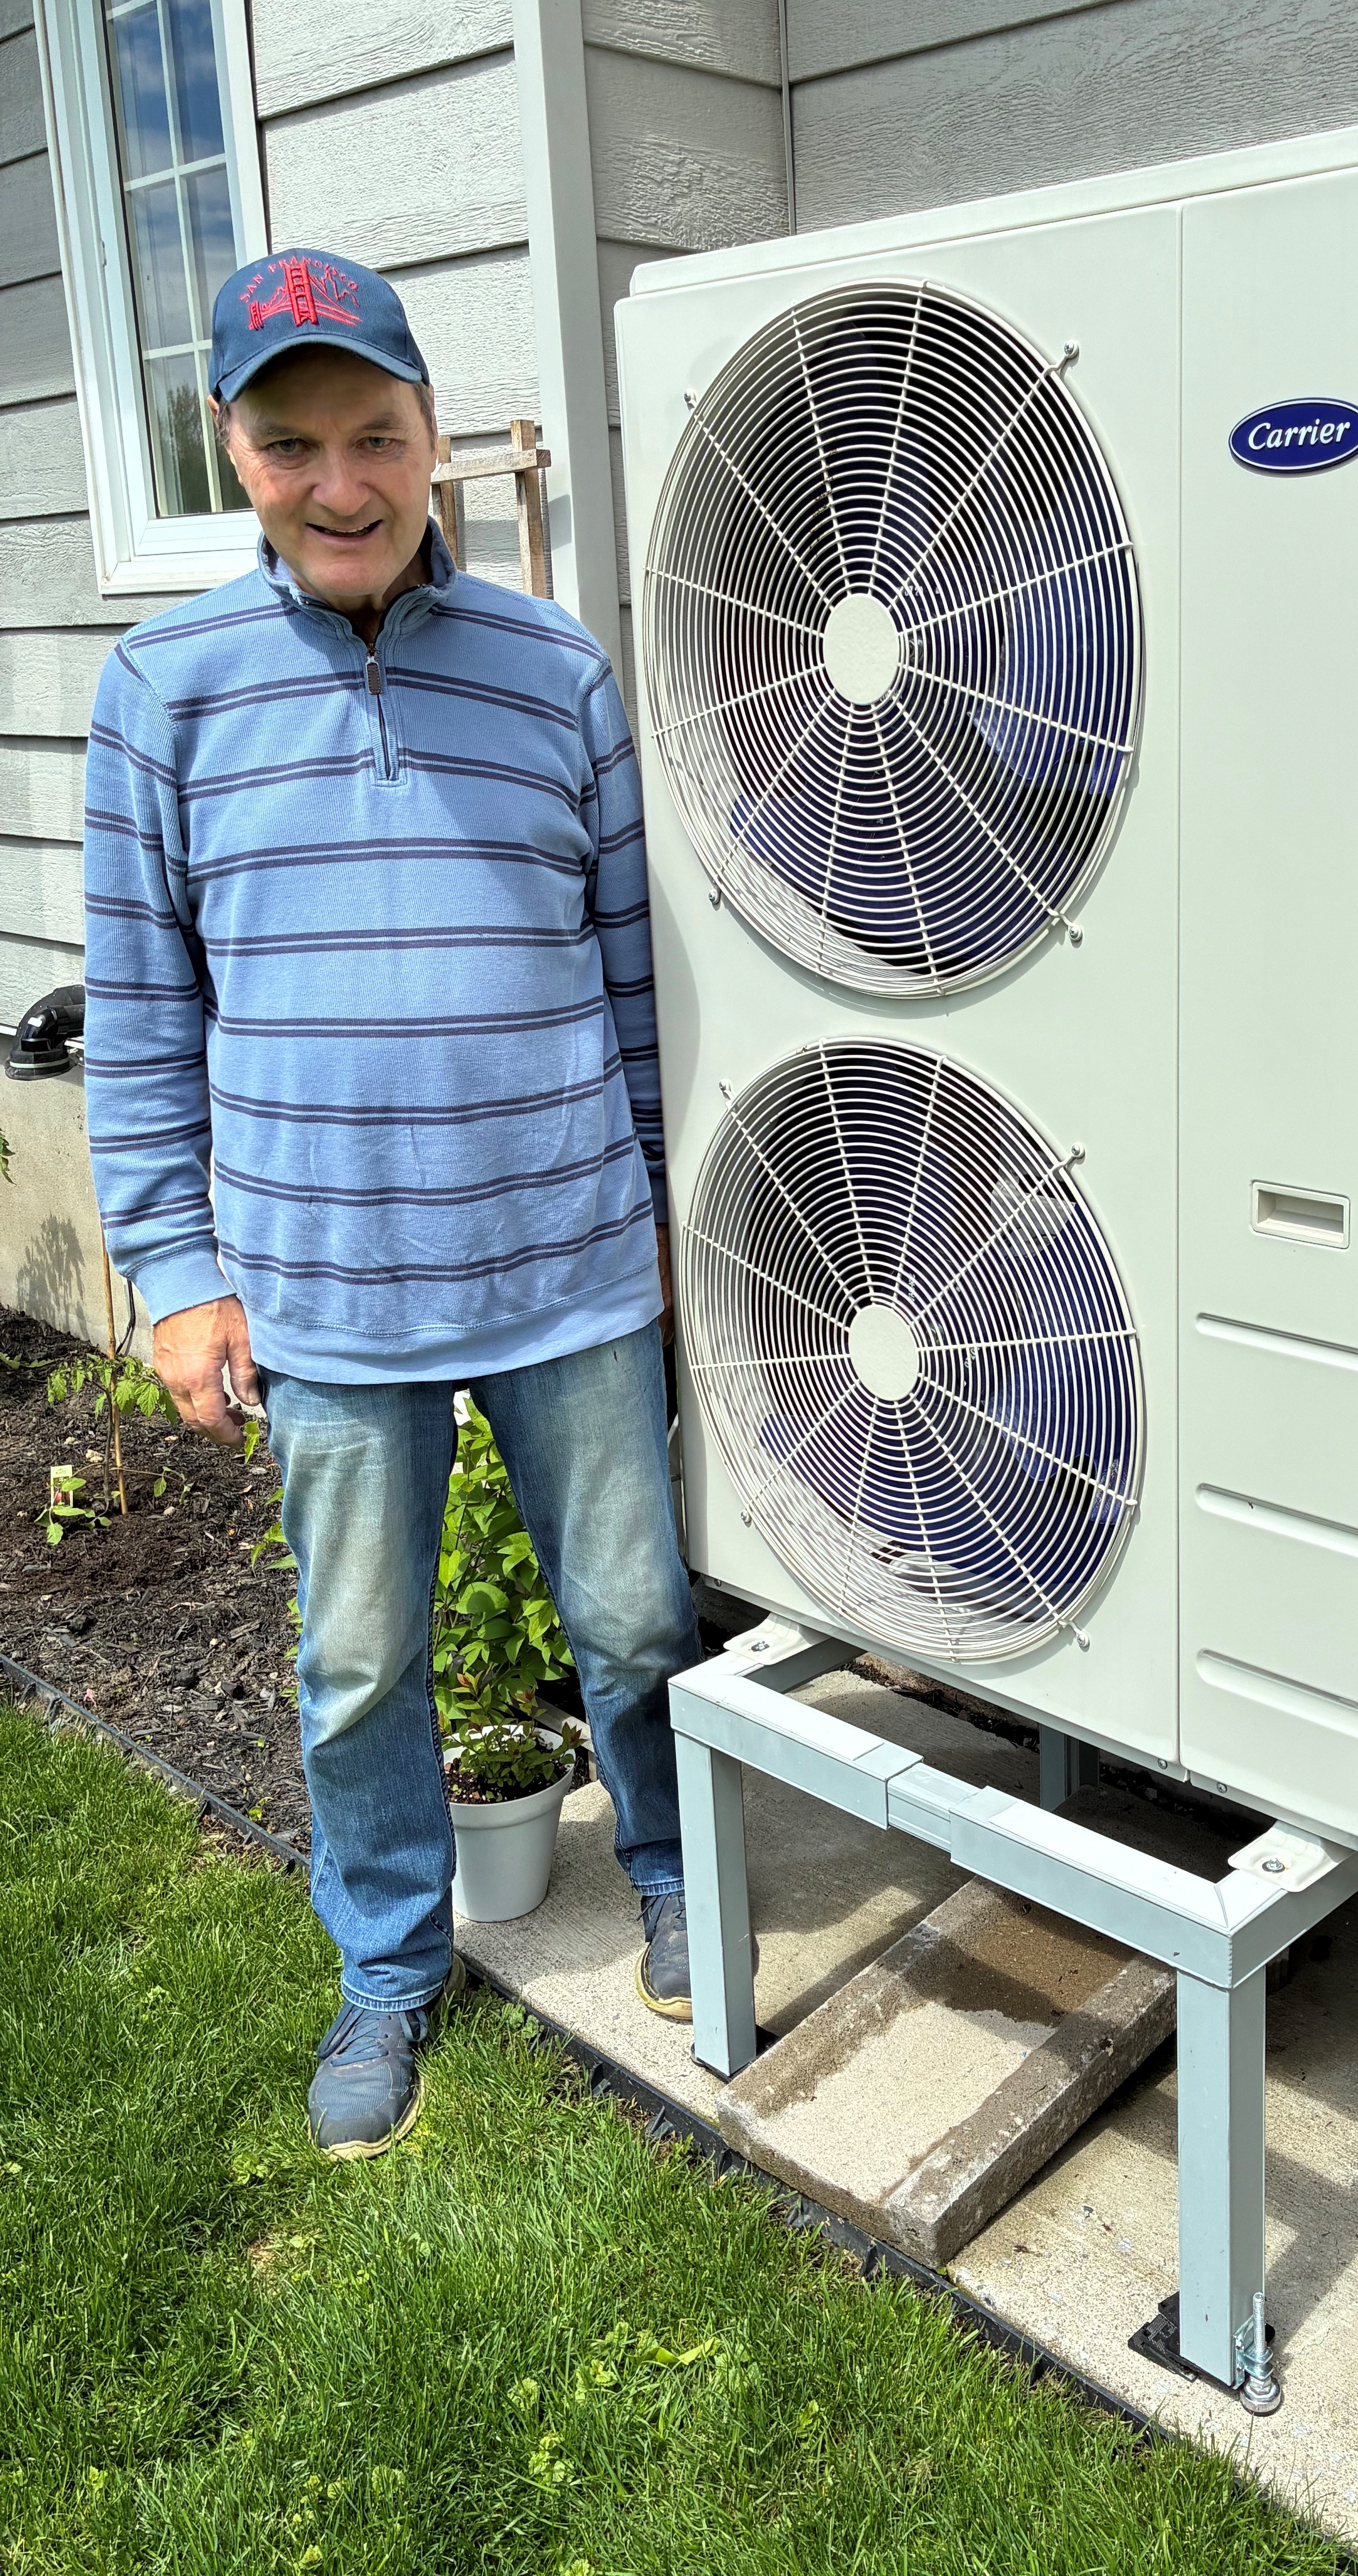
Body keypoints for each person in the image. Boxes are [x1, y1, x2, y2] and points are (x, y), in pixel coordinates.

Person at [83, 247, 700, 2160]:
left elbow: (634, 977)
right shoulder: (160, 695)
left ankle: (682, 1874)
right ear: (230, 453)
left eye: (374, 435)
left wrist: (677, 1209)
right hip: (327, 1286)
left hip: (572, 1259)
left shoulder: (560, 671)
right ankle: (386, 1959)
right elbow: (143, 1006)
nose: (338, 481)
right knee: (358, 1661)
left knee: (637, 1610)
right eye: (291, 444)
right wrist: (178, 1270)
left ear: (437, 438)